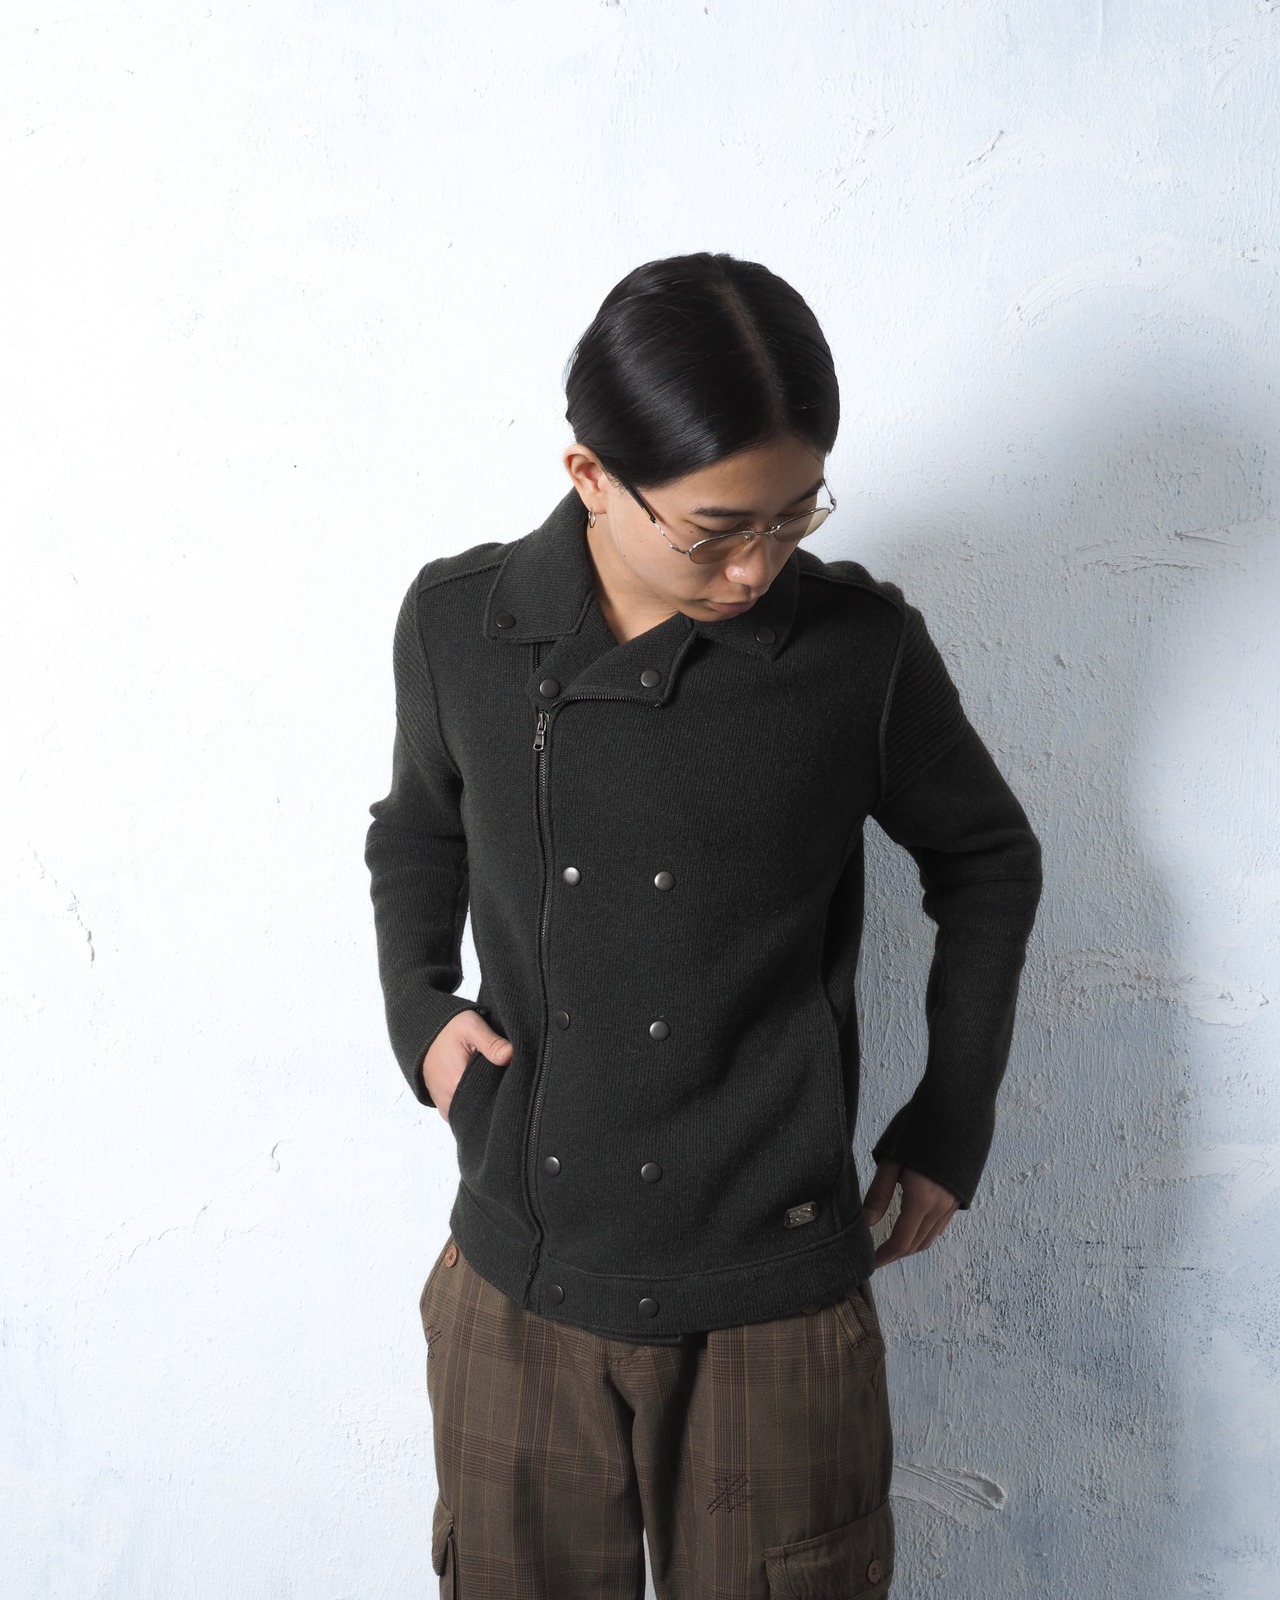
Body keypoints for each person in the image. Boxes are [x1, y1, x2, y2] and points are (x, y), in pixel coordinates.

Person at [364, 251, 1043, 1600]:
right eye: (715, 529)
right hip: (520, 1278)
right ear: (591, 476)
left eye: (795, 516)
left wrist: (951, 1115)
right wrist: (418, 1013)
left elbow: (987, 858)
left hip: (773, 1294)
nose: (756, 567)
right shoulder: (459, 625)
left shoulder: (859, 653)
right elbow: (418, 830)